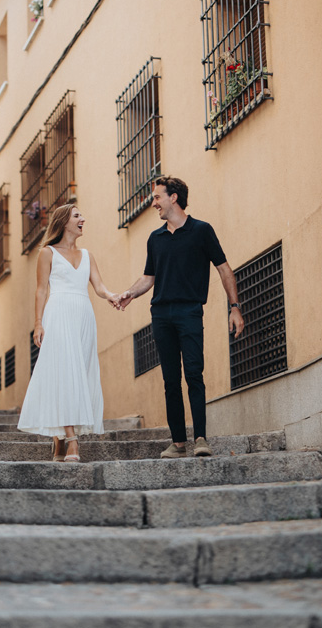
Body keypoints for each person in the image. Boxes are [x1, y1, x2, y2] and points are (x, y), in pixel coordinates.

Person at [117, 176, 244, 458]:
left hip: (189, 311)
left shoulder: (202, 231)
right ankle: (178, 443)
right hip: (161, 314)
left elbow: (224, 268)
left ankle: (201, 439)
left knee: (194, 374)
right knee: (170, 380)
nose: (154, 204)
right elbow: (148, 277)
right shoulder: (155, 238)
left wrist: (234, 307)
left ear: (174, 197)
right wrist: (130, 293)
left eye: (157, 197)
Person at [17, 204, 121, 462]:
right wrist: (38, 323)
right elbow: (41, 290)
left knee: (80, 374)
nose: (83, 219)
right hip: (59, 314)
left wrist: (113, 296)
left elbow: (98, 286)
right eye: (77, 216)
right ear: (64, 222)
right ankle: (72, 440)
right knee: (65, 373)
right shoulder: (47, 253)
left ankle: (59, 440)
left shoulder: (88, 255)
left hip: (84, 315)